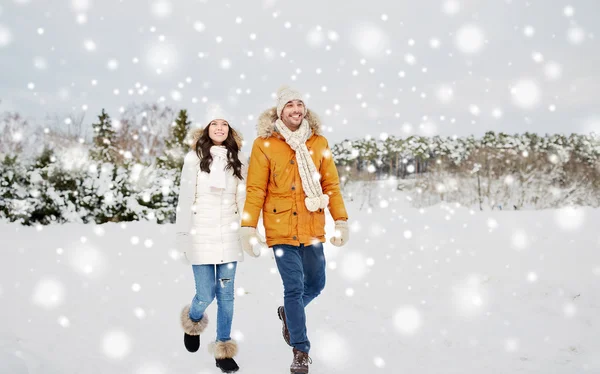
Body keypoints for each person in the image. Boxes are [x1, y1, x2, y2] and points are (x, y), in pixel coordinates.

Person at [239, 86, 350, 373]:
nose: (296, 110)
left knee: (316, 284)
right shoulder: (264, 144)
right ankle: (300, 350)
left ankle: (289, 314)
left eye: (300, 104)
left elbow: (331, 186)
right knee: (294, 286)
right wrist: (249, 227)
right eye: (290, 105)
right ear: (280, 111)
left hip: (312, 226)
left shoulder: (318, 142)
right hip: (280, 229)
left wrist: (340, 221)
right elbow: (255, 189)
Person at [175, 107, 256, 374]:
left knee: (227, 297)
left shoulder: (239, 159)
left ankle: (223, 349)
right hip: (201, 235)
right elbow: (185, 199)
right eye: (214, 123)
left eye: (225, 124)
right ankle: (194, 319)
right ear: (207, 128)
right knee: (206, 293)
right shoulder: (193, 158)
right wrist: (183, 235)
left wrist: (248, 229)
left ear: (230, 130)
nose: (219, 128)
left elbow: (243, 198)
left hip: (229, 236)